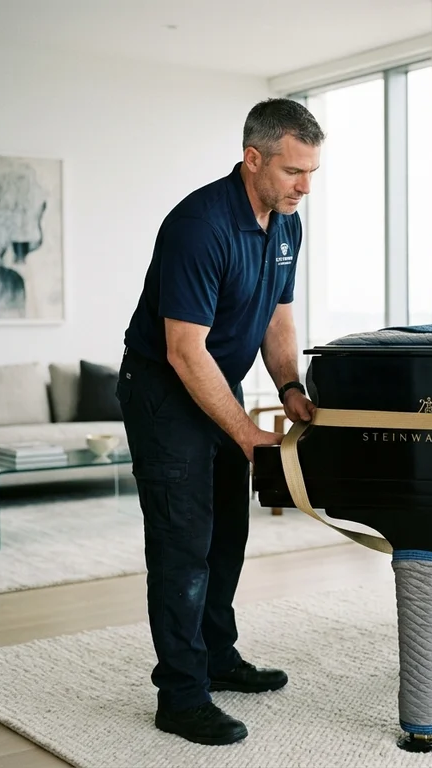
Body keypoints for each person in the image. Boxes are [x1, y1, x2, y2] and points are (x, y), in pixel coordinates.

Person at [116, 98, 324, 746]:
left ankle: (218, 657)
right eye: (294, 171)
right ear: (252, 158)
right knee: (184, 544)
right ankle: (180, 695)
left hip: (216, 383)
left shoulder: (286, 223)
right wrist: (244, 431)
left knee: (228, 531)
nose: (305, 186)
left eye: (313, 172)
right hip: (162, 387)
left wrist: (289, 386)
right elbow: (183, 349)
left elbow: (276, 318)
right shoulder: (198, 224)